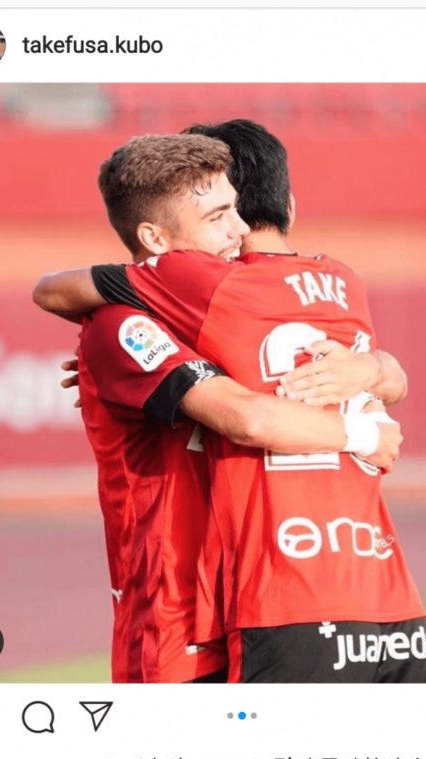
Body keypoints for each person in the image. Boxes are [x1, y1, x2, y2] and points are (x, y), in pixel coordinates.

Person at [34, 133, 402, 683]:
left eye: (235, 209)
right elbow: (246, 417)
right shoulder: (122, 324)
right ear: (155, 238)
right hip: (174, 623)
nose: (240, 229)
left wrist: (376, 368)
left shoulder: (211, 316)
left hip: (244, 604)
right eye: (218, 217)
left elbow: (360, 369)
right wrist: (364, 434)